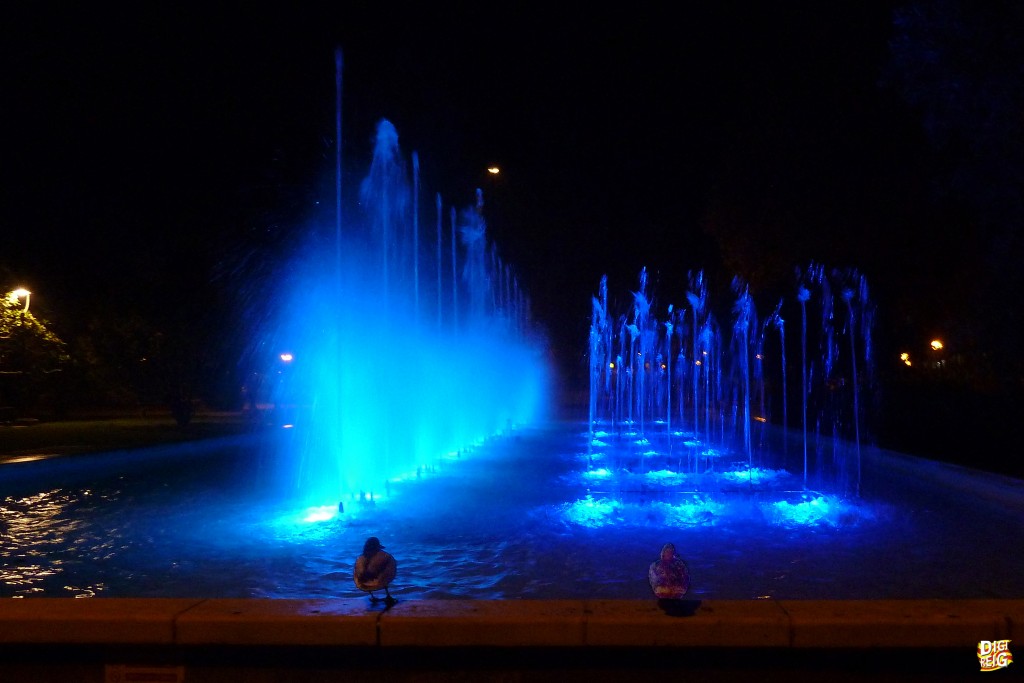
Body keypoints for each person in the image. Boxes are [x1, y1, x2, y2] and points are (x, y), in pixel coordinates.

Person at [354, 536, 397, 605]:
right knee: (389, 565)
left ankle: (372, 596)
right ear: (377, 546)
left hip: (361, 584)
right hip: (379, 581)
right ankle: (388, 596)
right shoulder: (386, 556)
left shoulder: (359, 559)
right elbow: (389, 571)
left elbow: (357, 574)